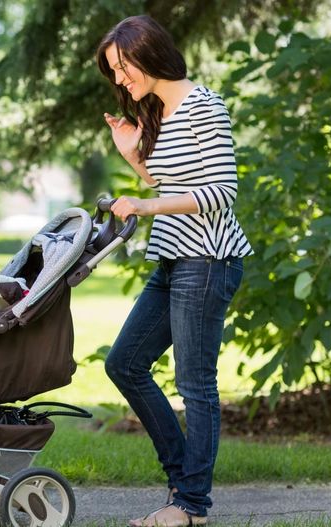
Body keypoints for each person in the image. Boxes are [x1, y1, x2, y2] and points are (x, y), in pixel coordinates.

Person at [95, 14, 253, 527]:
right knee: (124, 363)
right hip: (173, 258)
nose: (119, 79)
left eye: (123, 67)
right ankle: (183, 482)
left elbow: (221, 192)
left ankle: (190, 505)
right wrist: (133, 156)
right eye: (114, 71)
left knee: (195, 384)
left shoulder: (204, 105)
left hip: (207, 261)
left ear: (149, 53)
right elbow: (169, 182)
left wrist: (144, 206)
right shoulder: (158, 111)